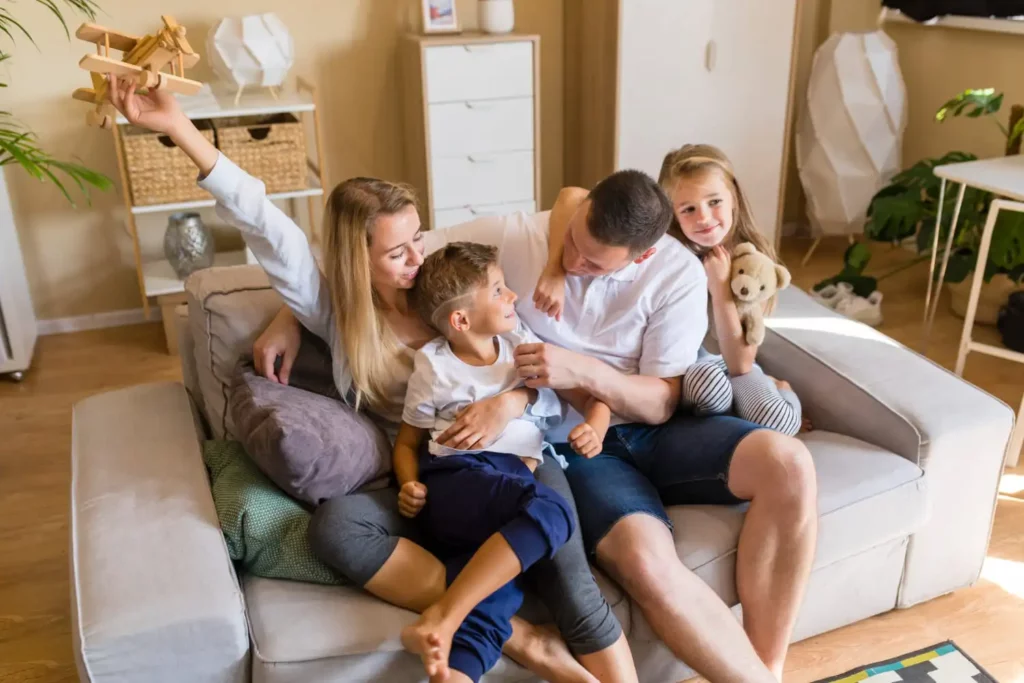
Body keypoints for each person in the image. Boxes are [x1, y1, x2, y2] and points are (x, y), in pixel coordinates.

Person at [102, 75, 635, 683]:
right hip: (433, 475)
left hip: (522, 461)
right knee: (337, 526)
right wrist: (179, 129)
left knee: (569, 575)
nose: (419, 259)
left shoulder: (447, 277)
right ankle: (519, 639)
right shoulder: (335, 309)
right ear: (357, 260)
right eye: (398, 253)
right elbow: (263, 223)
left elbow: (560, 209)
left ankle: (506, 626)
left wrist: (520, 377)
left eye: (417, 238)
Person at [272, 164, 817, 681]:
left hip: (648, 425)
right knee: (643, 562)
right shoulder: (520, 239)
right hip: (572, 453)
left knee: (790, 464)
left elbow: (660, 405)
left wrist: (582, 375)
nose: (575, 261)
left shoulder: (675, 271)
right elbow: (392, 255)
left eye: (593, 262)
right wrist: (295, 315)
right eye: (573, 241)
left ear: (641, 256)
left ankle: (768, 667)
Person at [396, 242, 614, 682]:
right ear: (461, 320)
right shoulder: (435, 367)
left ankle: (456, 672)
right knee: (553, 512)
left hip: (510, 489)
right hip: (457, 479)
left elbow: (587, 394)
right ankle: (443, 615)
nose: (513, 295)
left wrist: (597, 423)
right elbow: (407, 442)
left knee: (496, 598)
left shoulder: (521, 344)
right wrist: (408, 483)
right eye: (498, 290)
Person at [535, 143, 803, 436]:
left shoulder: (749, 262)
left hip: (729, 366)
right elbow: (571, 196)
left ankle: (783, 392)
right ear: (672, 213)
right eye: (688, 209)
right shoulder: (660, 249)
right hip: (691, 373)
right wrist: (554, 272)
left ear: (734, 198)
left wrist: (720, 288)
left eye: (714, 202)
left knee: (775, 420)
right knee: (703, 388)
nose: (703, 217)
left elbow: (740, 364)